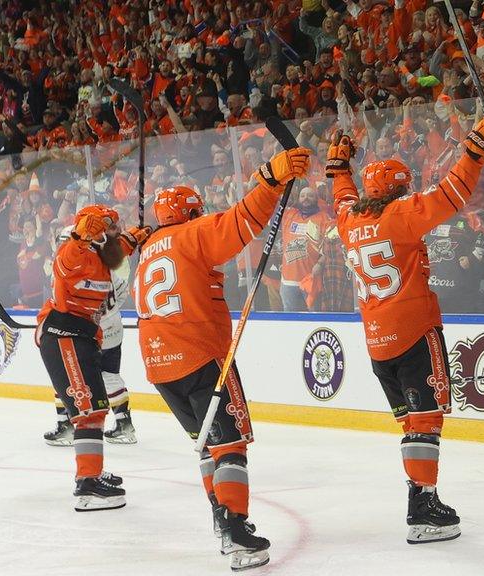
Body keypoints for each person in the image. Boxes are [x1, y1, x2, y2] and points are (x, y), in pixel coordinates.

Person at [329, 112, 484, 543]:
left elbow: (342, 196)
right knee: (425, 422)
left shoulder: (349, 220)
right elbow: (452, 193)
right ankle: (423, 506)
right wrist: (476, 150)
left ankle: (419, 495)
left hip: (377, 341)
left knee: (413, 423)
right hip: (413, 330)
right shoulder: (401, 214)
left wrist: (338, 169)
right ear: (395, 191)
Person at [134, 146, 311, 571]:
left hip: (161, 366)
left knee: (207, 445)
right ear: (191, 212)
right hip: (200, 356)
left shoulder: (149, 249)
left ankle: (220, 518)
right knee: (229, 444)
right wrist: (270, 178)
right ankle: (235, 529)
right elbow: (239, 223)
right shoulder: (191, 234)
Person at [35, 205, 149, 511]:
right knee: (88, 411)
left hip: (82, 338)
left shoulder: (102, 257)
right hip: (64, 336)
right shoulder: (75, 254)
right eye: (109, 229)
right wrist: (80, 236)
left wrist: (132, 238)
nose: (116, 234)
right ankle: (87, 485)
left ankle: (93, 471)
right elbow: (65, 261)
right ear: (94, 233)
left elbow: (114, 252)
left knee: (96, 407)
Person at [44, 226, 138, 446]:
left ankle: (65, 426)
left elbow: (63, 304)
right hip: (113, 329)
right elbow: (123, 293)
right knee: (110, 375)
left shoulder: (70, 271)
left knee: (65, 375)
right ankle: (125, 424)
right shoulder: (107, 268)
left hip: (85, 331)